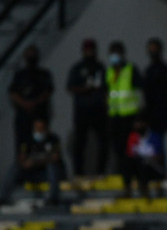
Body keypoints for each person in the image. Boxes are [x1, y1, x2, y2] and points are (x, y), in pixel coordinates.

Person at [65, 38, 109, 177]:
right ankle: (78, 172)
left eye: (91, 49)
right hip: (82, 110)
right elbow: (70, 87)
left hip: (99, 109)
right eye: (87, 49)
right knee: (80, 142)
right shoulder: (77, 68)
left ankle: (101, 171)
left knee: (103, 140)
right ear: (83, 51)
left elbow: (107, 87)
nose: (89, 52)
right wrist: (85, 88)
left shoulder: (100, 67)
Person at [0, 117, 65, 206]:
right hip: (31, 173)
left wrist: (34, 161)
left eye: (41, 129)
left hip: (46, 174)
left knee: (52, 167)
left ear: (46, 129)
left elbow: (55, 157)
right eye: (37, 128)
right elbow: (22, 158)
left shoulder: (53, 139)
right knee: (15, 167)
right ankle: (2, 197)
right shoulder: (27, 140)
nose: (39, 131)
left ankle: (53, 199)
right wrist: (26, 163)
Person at [106, 41, 144, 187]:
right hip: (115, 117)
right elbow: (109, 93)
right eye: (112, 53)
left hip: (130, 116)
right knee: (119, 150)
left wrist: (139, 117)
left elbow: (140, 93)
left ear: (122, 54)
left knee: (133, 150)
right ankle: (126, 181)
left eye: (116, 53)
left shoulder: (131, 70)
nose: (114, 56)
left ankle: (139, 180)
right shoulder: (109, 71)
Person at [7, 44, 54, 155]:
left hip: (40, 116)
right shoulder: (19, 75)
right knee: (23, 147)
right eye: (29, 56)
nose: (31, 58)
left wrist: (35, 103)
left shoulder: (43, 74)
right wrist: (25, 104)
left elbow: (48, 91)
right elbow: (12, 92)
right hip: (23, 118)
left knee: (41, 146)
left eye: (33, 56)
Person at [123, 114, 166, 198]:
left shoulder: (154, 137)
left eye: (139, 123)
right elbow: (130, 155)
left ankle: (147, 191)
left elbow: (159, 156)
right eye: (135, 124)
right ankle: (128, 190)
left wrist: (147, 157)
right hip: (139, 167)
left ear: (145, 124)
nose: (137, 126)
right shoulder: (133, 137)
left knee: (143, 163)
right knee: (128, 163)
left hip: (152, 167)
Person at [143, 38, 167, 144]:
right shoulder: (149, 70)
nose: (152, 52)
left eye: (154, 49)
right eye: (150, 49)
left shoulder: (166, 70)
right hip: (151, 111)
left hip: (162, 110)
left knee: (162, 139)